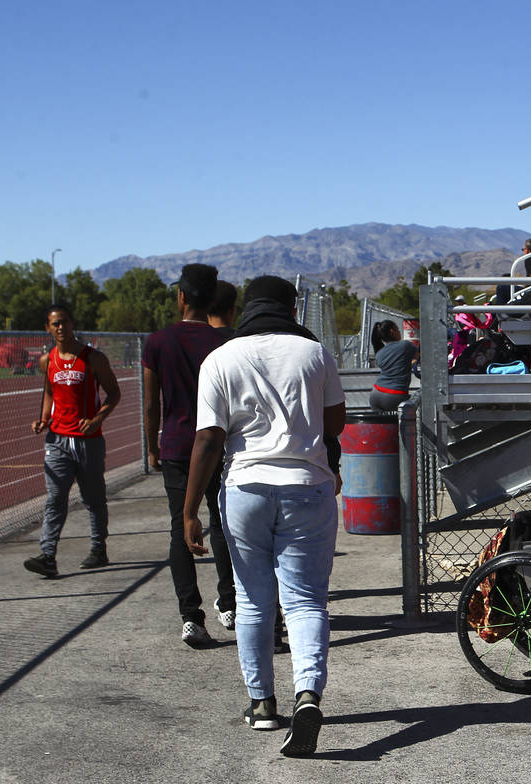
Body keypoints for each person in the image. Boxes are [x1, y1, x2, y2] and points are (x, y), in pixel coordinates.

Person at [182, 275, 345, 756]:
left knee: (254, 601)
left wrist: (188, 510)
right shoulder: (313, 353)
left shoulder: (221, 358)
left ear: (247, 307)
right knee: (306, 601)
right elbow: (335, 422)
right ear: (290, 306)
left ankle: (262, 706)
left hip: (245, 489)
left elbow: (209, 439)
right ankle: (308, 694)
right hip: (307, 488)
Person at [143, 263, 236, 648]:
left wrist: (152, 446)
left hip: (178, 445)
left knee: (180, 526)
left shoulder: (158, 342)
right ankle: (230, 602)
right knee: (223, 523)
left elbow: (151, 402)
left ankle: (191, 616)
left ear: (181, 297)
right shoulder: (226, 343)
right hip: (221, 443)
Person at [24, 304, 120, 577]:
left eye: (64, 322)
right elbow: (49, 393)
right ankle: (47, 555)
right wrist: (43, 419)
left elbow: (114, 394)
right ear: (47, 328)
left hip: (88, 441)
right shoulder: (48, 361)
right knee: (55, 498)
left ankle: (98, 548)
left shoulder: (92, 358)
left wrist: (96, 420)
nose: (60, 328)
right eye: (55, 324)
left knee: (93, 498)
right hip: (57, 440)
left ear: (72, 323)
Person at [369, 319, 418, 411]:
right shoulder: (405, 345)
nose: (400, 332)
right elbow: (420, 358)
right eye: (398, 330)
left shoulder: (379, 353)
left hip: (376, 394)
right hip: (395, 394)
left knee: (382, 425)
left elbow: (396, 366)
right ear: (392, 332)